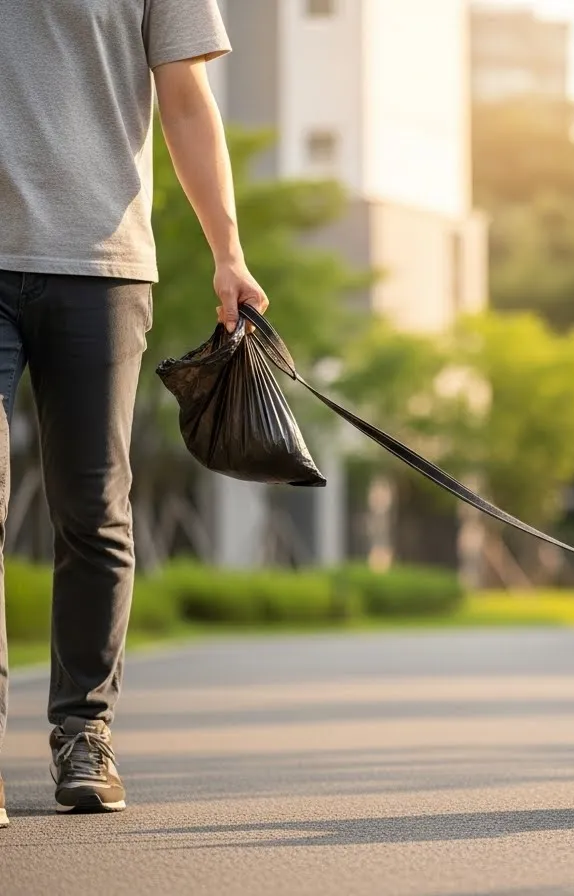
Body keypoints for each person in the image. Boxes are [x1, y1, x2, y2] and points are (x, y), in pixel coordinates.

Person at [0, 1, 266, 825]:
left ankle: (85, 730)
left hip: (103, 264)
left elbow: (184, 98)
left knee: (94, 508)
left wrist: (228, 250)